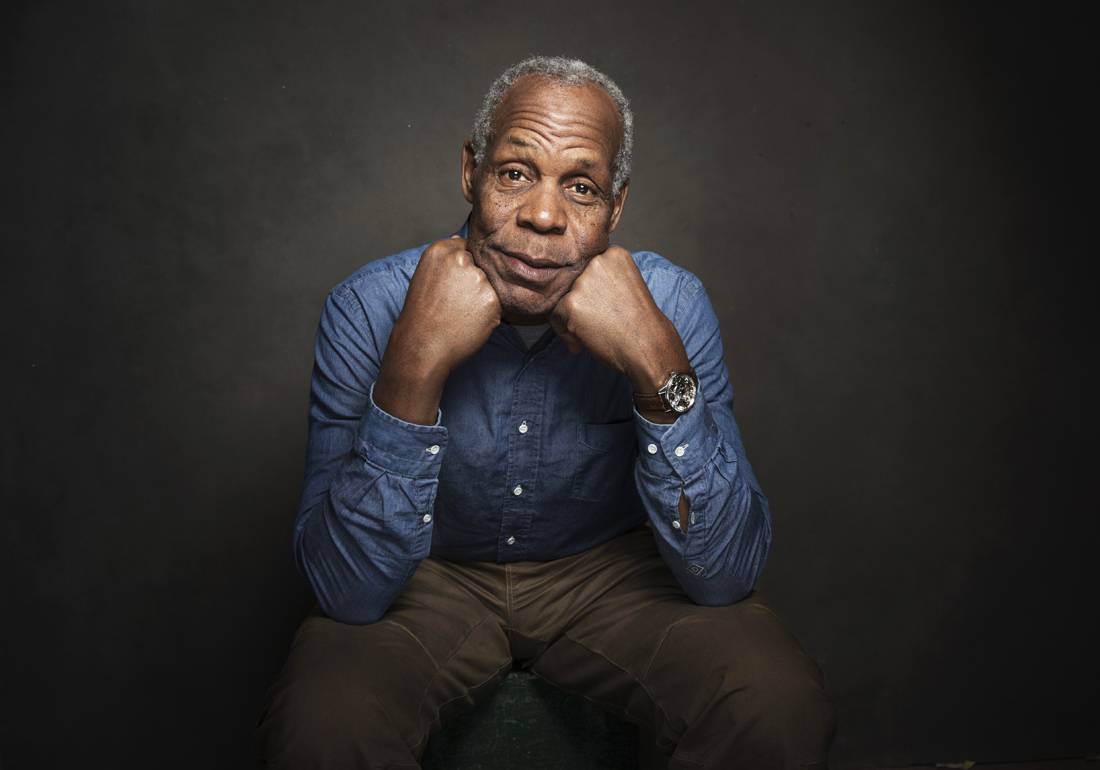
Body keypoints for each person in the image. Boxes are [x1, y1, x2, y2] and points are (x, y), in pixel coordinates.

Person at [253, 56, 836, 769]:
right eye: (515, 173)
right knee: (325, 721)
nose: (543, 215)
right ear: (472, 172)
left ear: (615, 208)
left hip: (611, 577)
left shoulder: (672, 304)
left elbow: (725, 575)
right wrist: (415, 363)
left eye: (581, 187)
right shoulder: (368, 306)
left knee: (774, 699)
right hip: (429, 576)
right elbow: (347, 594)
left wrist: (656, 362)